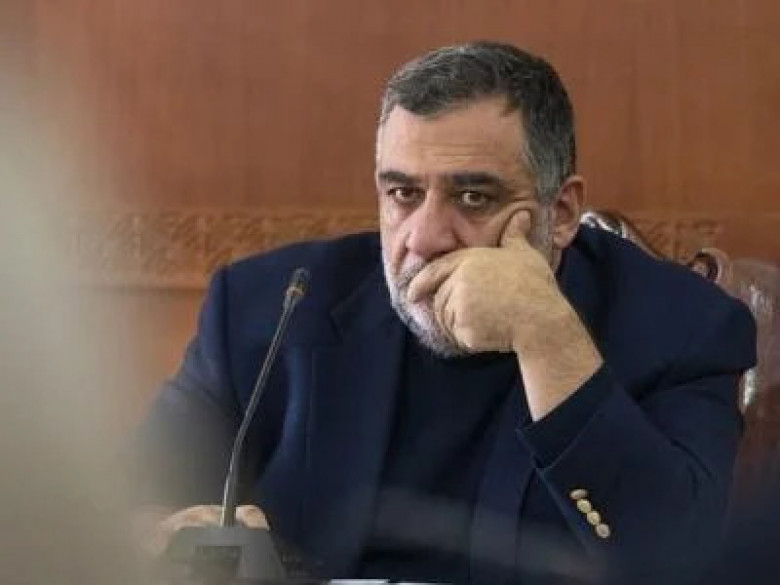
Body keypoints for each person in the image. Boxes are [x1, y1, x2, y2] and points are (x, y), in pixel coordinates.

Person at [130, 41, 757, 584]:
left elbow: (673, 563)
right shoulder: (271, 307)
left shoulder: (683, 327)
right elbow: (126, 507)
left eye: (474, 196)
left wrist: (548, 337)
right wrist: (153, 534)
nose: (425, 237)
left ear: (561, 213)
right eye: (403, 193)